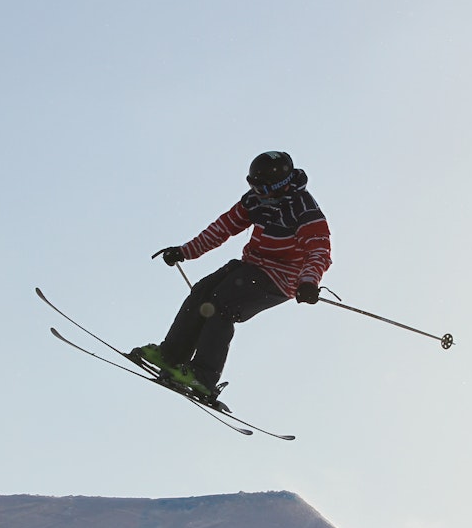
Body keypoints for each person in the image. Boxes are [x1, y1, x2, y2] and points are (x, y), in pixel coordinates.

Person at [132, 151, 331, 400]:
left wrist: (309, 283)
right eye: (253, 187)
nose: (258, 194)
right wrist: (185, 251)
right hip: (251, 265)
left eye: (263, 189)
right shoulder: (255, 201)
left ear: (280, 186)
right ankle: (171, 355)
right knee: (202, 292)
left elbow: (319, 250)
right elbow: (223, 227)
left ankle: (203, 376)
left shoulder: (304, 209)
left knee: (223, 303)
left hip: (282, 277)